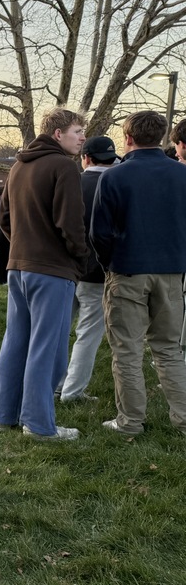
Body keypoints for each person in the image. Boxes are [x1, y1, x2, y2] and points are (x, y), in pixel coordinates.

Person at [0, 108, 90, 440]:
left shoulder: (19, 165)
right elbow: (71, 223)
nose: (83, 137)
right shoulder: (64, 166)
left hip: (19, 267)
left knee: (16, 341)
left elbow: (3, 218)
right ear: (58, 134)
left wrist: (23, 245)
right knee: (48, 349)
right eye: (78, 131)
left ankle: (5, 415)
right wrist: (80, 257)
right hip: (52, 269)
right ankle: (38, 424)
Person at [90, 111, 186, 436]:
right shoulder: (182, 175)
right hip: (171, 272)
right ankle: (184, 419)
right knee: (169, 349)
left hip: (127, 270)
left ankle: (130, 422)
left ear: (128, 138)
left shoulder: (114, 177)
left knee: (127, 350)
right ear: (162, 137)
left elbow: (99, 233)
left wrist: (109, 263)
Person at [56, 137, 118, 402]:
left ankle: (54, 383)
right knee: (88, 335)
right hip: (99, 271)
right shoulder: (116, 184)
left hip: (66, 268)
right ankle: (72, 391)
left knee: (57, 331)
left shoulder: (73, 183)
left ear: (86, 158)